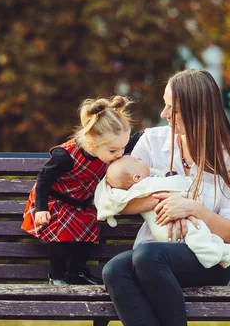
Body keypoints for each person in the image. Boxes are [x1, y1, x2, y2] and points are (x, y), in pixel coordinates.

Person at [101, 69, 230, 326]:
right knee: (115, 270)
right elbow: (116, 198)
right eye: (165, 104)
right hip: (153, 256)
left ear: (199, 112)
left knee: (148, 256)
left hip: (212, 258)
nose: (163, 114)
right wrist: (162, 202)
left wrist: (193, 209)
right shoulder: (152, 142)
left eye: (172, 109)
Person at [21, 96, 141, 285]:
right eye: (113, 151)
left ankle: (76, 273)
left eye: (123, 148)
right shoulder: (65, 157)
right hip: (57, 201)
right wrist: (41, 208)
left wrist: (147, 135)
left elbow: (132, 142)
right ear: (93, 145)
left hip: (82, 203)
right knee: (61, 239)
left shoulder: (109, 148)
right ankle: (56, 276)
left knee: (87, 239)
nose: (120, 154)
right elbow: (43, 179)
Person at [94, 155, 230, 268]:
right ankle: (215, 253)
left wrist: (190, 207)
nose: (139, 158)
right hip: (166, 229)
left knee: (149, 256)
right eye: (137, 160)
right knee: (115, 269)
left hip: (161, 245)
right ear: (136, 178)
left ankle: (216, 252)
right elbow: (111, 200)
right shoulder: (145, 184)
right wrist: (165, 200)